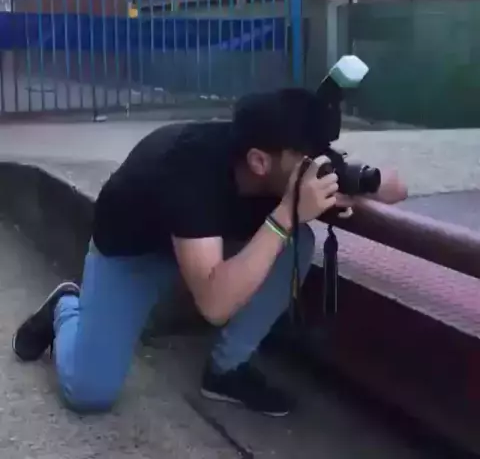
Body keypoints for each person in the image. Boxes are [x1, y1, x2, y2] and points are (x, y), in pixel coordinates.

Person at [12, 88, 407, 417]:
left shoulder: (289, 154)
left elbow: (397, 188)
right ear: (259, 161)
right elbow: (214, 305)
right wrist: (287, 212)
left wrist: (359, 182)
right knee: (89, 392)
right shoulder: (189, 170)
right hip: (133, 253)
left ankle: (226, 371)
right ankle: (67, 306)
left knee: (298, 241)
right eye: (308, 159)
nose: (316, 166)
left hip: (208, 242)